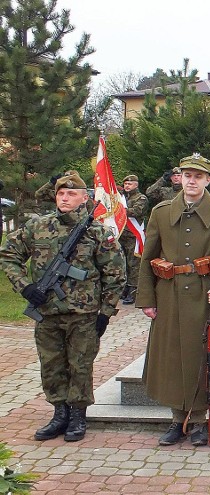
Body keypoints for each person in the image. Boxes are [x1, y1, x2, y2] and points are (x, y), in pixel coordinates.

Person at [0, 174, 126, 442]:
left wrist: (106, 312)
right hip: (47, 312)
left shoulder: (97, 232)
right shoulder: (38, 227)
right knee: (52, 365)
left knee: (80, 365)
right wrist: (25, 287)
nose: (65, 198)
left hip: (84, 314)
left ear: (85, 197)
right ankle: (60, 414)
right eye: (60, 194)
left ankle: (78, 416)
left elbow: (115, 274)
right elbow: (8, 254)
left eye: (71, 194)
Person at [136, 153, 210, 447]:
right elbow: (148, 258)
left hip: (205, 296)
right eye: (187, 175)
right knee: (172, 358)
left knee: (203, 358)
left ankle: (198, 421)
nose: (192, 180)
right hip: (169, 296)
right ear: (180, 178)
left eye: (198, 176)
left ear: (208, 180)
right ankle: (177, 419)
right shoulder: (160, 212)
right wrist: (147, 298)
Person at [119, 175, 149, 304]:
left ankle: (133, 292)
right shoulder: (123, 198)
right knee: (123, 263)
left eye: (130, 184)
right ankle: (125, 288)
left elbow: (136, 211)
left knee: (134, 264)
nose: (127, 186)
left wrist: (119, 210)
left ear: (136, 185)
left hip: (133, 236)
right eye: (125, 184)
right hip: (122, 235)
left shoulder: (141, 198)